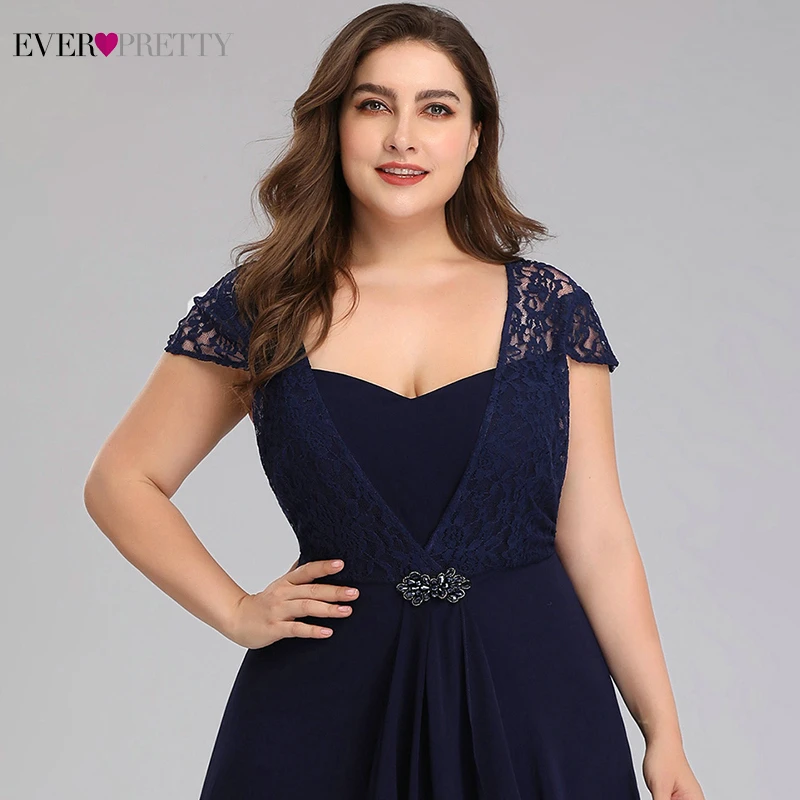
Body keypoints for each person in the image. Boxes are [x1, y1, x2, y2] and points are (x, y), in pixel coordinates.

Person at [84, 4, 706, 798]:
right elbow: (121, 481)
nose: (402, 137)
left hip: (535, 699)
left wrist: (662, 730)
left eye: (436, 109)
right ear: (334, 125)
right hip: (324, 706)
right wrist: (235, 610)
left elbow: (598, 537)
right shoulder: (262, 306)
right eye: (374, 105)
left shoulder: (548, 309)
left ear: (474, 136)